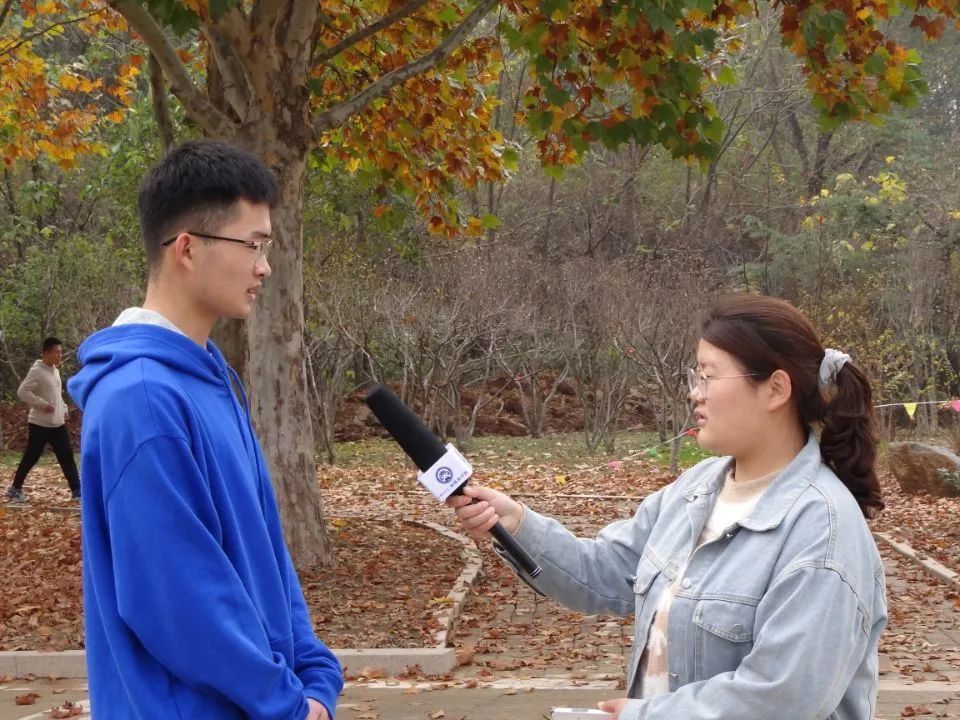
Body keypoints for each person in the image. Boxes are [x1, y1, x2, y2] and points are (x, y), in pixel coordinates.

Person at [449, 295, 887, 720]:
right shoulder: (695, 490)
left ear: (775, 389)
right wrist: (514, 522)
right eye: (694, 378)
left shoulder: (822, 529)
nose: (695, 395)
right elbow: (601, 571)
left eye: (709, 378)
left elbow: (784, 697)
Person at [67, 140, 343, 720]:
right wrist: (288, 704)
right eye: (254, 245)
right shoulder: (140, 399)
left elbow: (264, 550)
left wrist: (313, 671)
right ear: (187, 249)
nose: (265, 266)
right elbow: (177, 599)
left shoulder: (210, 378)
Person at [5, 336, 81, 503]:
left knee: (66, 455)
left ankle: (77, 491)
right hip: (40, 424)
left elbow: (56, 395)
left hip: (57, 423)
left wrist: (63, 409)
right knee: (31, 456)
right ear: (46, 352)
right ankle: (15, 489)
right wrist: (42, 404)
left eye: (61, 352)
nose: (60, 355)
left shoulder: (55, 370)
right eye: (57, 352)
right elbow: (22, 391)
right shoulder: (36, 371)